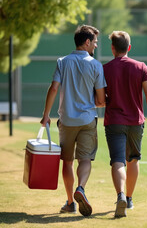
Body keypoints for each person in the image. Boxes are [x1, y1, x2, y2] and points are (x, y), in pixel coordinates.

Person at [40, 25, 106, 217]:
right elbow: (101, 100)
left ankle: (70, 202)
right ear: (86, 42)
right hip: (87, 119)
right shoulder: (96, 65)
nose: (95, 45)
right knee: (85, 159)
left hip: (67, 121)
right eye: (94, 41)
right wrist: (96, 103)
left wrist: (46, 115)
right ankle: (81, 188)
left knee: (67, 162)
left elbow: (53, 89)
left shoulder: (62, 61)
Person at [103, 31, 147, 218]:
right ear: (129, 47)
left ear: (112, 48)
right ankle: (129, 198)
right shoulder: (141, 67)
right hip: (136, 122)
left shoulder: (105, 69)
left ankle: (119, 196)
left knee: (117, 161)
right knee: (133, 159)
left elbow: (100, 97)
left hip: (114, 122)